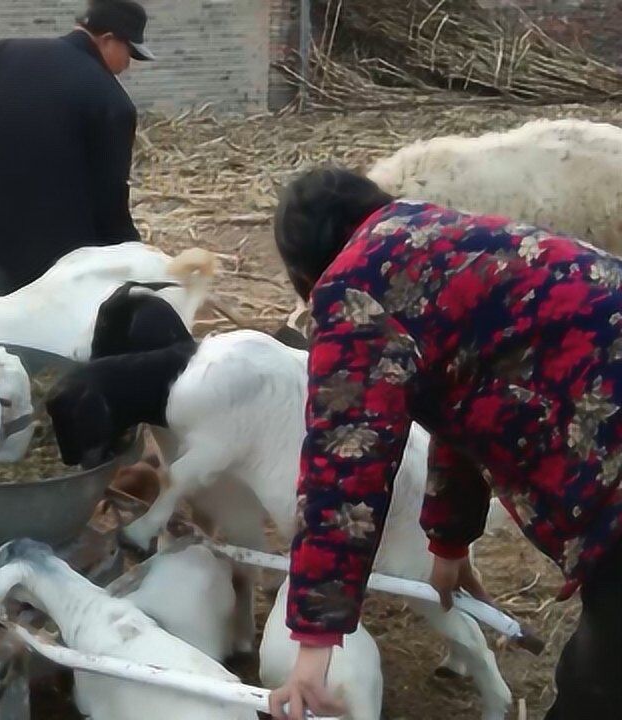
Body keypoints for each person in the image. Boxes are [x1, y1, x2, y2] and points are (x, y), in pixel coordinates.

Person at [267, 166, 622, 720]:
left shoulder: (355, 287)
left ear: (304, 268)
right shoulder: (440, 240)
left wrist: (312, 645)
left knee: (599, 691)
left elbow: (343, 466)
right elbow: (464, 404)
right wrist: (449, 543)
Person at [0, 0, 152, 298]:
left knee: (0, 324)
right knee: (49, 334)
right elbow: (109, 196)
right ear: (108, 40)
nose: (128, 65)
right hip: (56, 248)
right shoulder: (112, 102)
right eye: (129, 53)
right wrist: (131, 250)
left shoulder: (8, 52)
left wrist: (1, 144)